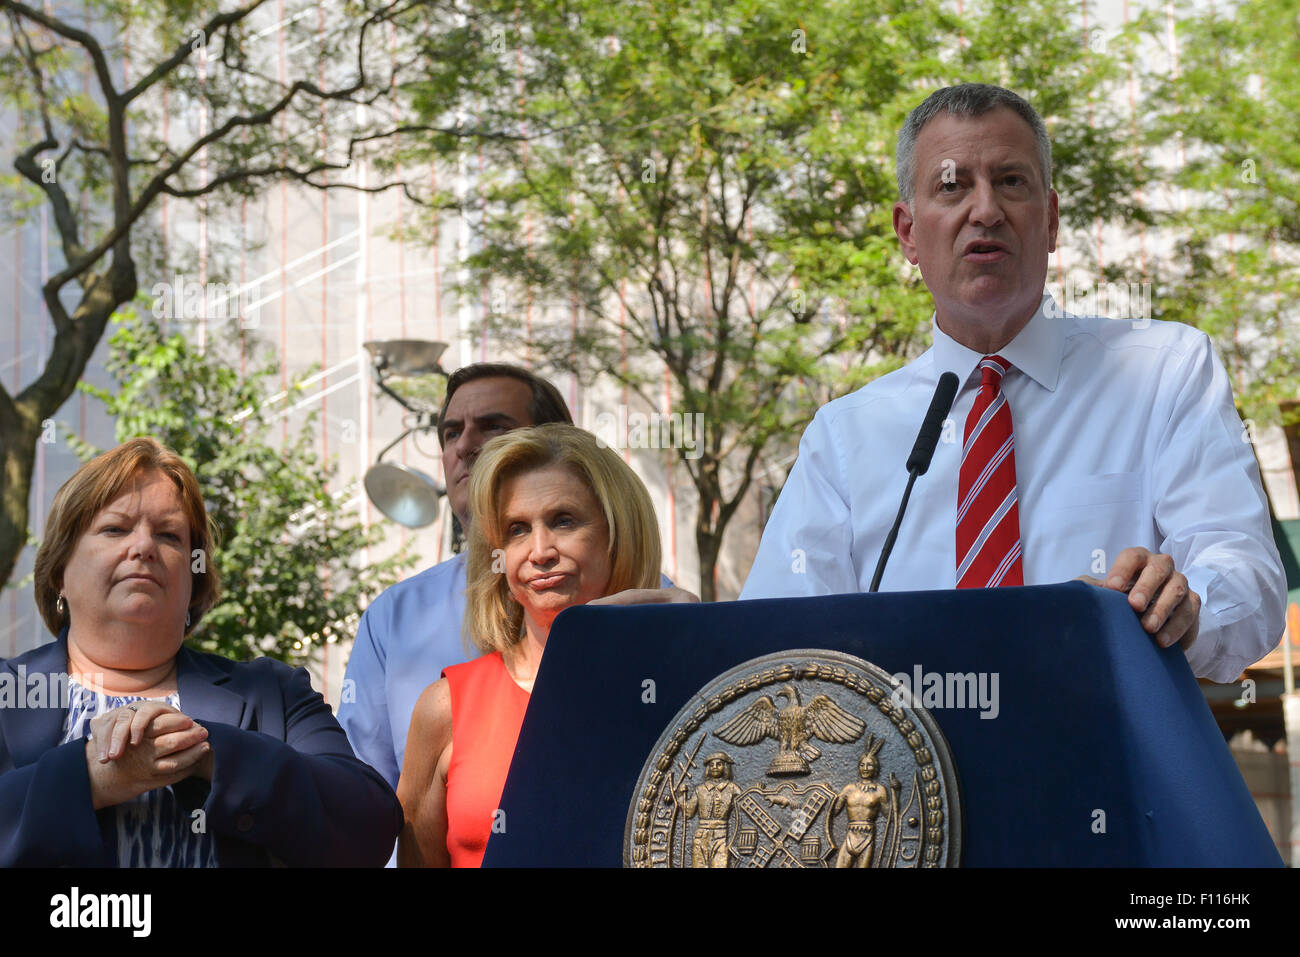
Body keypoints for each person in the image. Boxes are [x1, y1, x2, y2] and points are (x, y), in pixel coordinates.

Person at [740, 83, 1285, 684]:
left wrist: (1191, 607)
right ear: (908, 234)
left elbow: (1248, 580)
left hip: (1103, 760)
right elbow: (771, 648)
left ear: (1050, 220)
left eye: (1011, 181)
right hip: (906, 773)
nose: (985, 210)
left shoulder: (1164, 370)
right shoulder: (844, 437)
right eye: (952, 186)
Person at [0, 437, 401, 866]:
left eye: (169, 535)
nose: (143, 547)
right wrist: (91, 777)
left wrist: (204, 751)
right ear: (60, 571)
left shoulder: (273, 692)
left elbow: (369, 827)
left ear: (195, 580)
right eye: (115, 529)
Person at [395, 423, 669, 866]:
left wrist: (692, 632)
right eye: (517, 529)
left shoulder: (676, 688)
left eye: (564, 521)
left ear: (618, 534)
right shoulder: (445, 708)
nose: (540, 551)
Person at [339, 363, 573, 799]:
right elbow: (362, 799)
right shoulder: (392, 619)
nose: (464, 446)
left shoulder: (639, 594)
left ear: (554, 445)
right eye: (451, 433)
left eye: (493, 427)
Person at [676, 752, 741, 868]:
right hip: (701, 836)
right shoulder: (700, 789)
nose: (715, 767)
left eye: (719, 764)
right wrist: (681, 796)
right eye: (712, 765)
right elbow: (689, 813)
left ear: (725, 767)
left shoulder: (733, 789)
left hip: (721, 836)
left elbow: (744, 805)